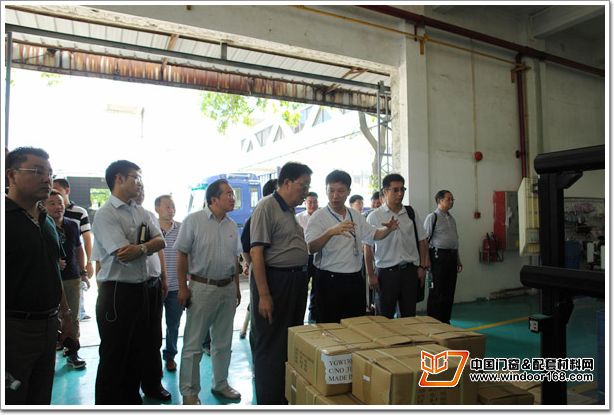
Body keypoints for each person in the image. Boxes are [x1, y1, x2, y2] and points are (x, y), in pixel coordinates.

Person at [92, 160, 165, 405]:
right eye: (136, 177)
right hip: (117, 292)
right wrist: (145, 246)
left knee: (138, 350)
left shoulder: (141, 212)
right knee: (114, 355)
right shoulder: (106, 214)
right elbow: (122, 252)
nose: (140, 183)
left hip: (141, 289)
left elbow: (161, 241)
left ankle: (131, 401)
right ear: (119, 178)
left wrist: (140, 248)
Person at [6, 147, 73, 404]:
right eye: (37, 171)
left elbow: (53, 269)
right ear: (11, 175)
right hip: (13, 329)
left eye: (50, 173)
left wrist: (66, 314)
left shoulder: (47, 221)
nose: (47, 179)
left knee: (40, 396)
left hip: (48, 326)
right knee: (12, 398)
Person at [250, 162, 312, 405]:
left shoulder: (288, 211)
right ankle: (270, 402)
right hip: (276, 282)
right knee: (270, 345)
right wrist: (264, 295)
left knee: (289, 340)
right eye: (303, 185)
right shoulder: (267, 206)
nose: (306, 191)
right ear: (286, 182)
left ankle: (284, 397)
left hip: (294, 282)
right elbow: (256, 253)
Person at [175, 179, 242, 405]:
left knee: (223, 342)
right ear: (214, 199)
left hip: (227, 288)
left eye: (232, 194)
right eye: (228, 194)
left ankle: (220, 384)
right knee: (193, 344)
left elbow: (234, 259)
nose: (233, 198)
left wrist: (236, 288)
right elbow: (181, 254)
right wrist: (182, 287)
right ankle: (189, 393)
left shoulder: (232, 225)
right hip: (201, 288)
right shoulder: (193, 221)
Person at [305, 170, 398, 323]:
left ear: (348, 191)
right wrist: (330, 232)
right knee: (330, 325)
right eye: (331, 191)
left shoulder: (355, 215)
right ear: (326, 191)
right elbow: (311, 247)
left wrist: (388, 229)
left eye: (340, 191)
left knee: (355, 323)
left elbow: (374, 234)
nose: (335, 196)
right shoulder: (318, 217)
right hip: (329, 279)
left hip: (354, 278)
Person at [365, 174, 430, 318]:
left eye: (402, 189)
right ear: (385, 191)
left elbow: (422, 240)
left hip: (409, 272)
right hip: (386, 274)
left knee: (408, 316)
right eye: (395, 190)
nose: (400, 193)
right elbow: (367, 247)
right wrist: (371, 275)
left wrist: (422, 267)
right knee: (384, 318)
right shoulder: (374, 216)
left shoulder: (410, 213)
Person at [134, 189, 171, 401]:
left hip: (153, 283)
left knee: (154, 337)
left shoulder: (147, 216)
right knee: (132, 340)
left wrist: (164, 277)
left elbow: (160, 249)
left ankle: (153, 384)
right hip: (128, 288)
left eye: (141, 188)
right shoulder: (110, 215)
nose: (139, 191)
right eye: (135, 184)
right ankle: (131, 388)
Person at [44, 190, 87, 369]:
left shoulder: (72, 225)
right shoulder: (42, 226)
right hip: (48, 280)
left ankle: (73, 351)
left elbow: (78, 249)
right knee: (52, 317)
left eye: (60, 203)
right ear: (44, 206)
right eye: (52, 203)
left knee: (72, 316)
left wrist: (83, 271)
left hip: (71, 278)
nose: (58, 206)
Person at [239, 178, 278, 340]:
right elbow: (245, 246)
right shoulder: (259, 215)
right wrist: (252, 266)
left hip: (276, 276)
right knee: (260, 309)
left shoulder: (282, 214)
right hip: (263, 272)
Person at [53, 178, 94, 321]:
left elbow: (84, 241)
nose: (57, 206)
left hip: (73, 270)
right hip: (54, 274)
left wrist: (88, 264)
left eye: (57, 189)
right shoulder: (44, 217)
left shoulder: (79, 213)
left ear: (67, 191)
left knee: (73, 313)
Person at [424, 190, 463, 324]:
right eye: (448, 199)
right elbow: (425, 241)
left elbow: (454, 241)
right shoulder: (432, 217)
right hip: (438, 258)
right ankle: (434, 321)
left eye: (452, 199)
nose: (451, 201)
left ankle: (445, 320)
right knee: (437, 291)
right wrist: (426, 260)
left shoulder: (451, 219)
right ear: (440, 201)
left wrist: (458, 259)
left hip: (451, 257)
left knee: (449, 290)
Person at [155, 194, 183, 372]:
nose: (171, 210)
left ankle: (170, 355)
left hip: (176, 287)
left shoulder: (182, 228)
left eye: (173, 206)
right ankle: (152, 357)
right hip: (155, 286)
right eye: (167, 206)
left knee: (173, 325)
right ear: (157, 208)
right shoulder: (151, 228)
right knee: (153, 325)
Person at [294, 191, 319, 322]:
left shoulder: (322, 217)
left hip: (319, 256)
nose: (312, 205)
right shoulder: (298, 218)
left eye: (315, 202)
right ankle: (299, 316)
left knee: (317, 287)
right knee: (302, 287)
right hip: (304, 257)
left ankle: (313, 317)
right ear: (305, 203)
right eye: (310, 202)